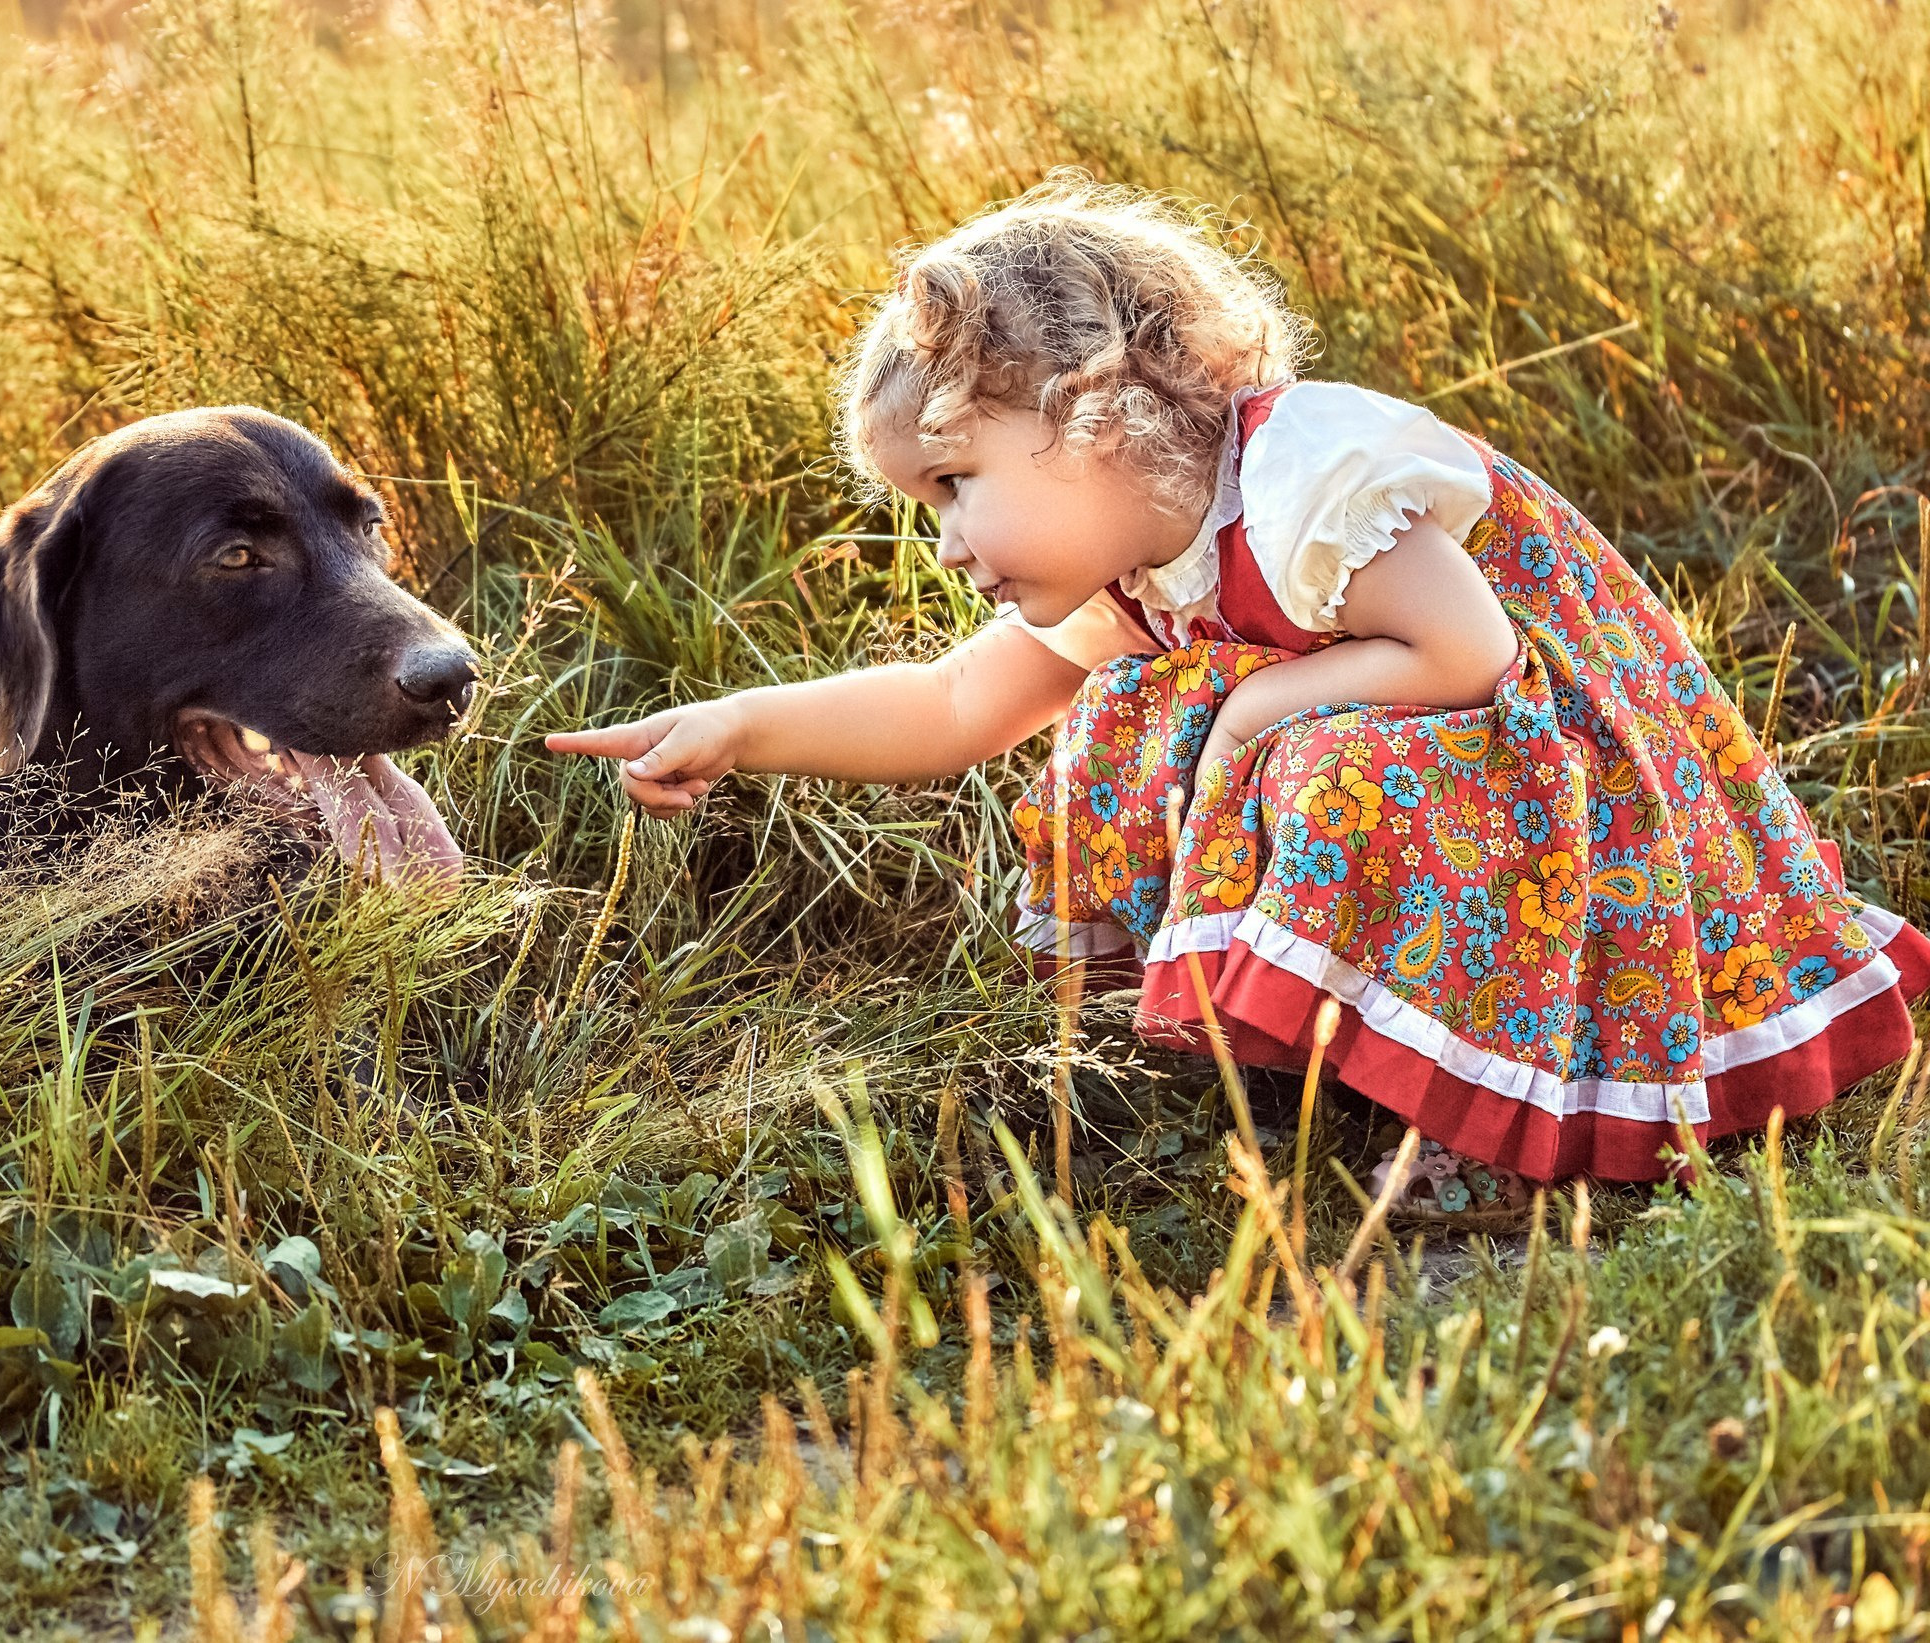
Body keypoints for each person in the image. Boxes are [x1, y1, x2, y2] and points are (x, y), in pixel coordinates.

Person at [547, 173, 1930, 1214]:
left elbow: (1473, 659)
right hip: (1450, 734)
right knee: (1123, 722)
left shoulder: (1300, 483)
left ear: (1095, 417)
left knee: (1293, 747)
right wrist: (740, 726)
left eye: (957, 484)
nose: (950, 541)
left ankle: (1480, 1115)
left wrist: (1255, 714)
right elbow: (955, 708)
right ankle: (1275, 1069)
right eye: (924, 505)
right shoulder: (1143, 561)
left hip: (1573, 762)